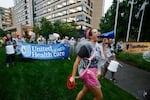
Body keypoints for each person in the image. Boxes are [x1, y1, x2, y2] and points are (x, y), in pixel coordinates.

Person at [70, 29, 103, 100]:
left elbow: (99, 61)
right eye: (95, 32)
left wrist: (98, 72)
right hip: (87, 74)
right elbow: (76, 61)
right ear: (90, 36)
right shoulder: (86, 47)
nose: (98, 33)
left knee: (84, 91)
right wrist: (73, 76)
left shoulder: (97, 47)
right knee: (99, 97)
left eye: (97, 32)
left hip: (93, 73)